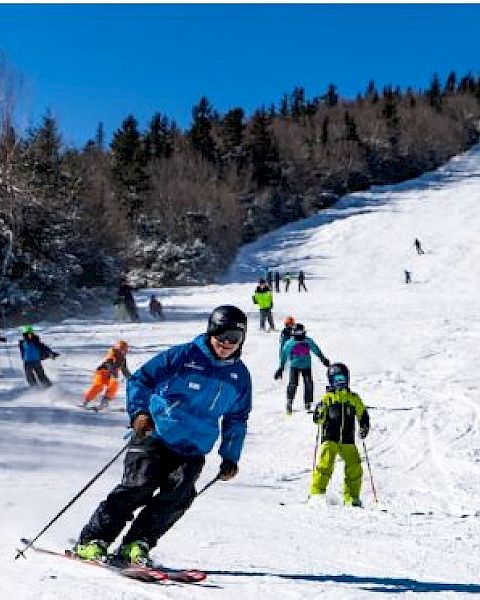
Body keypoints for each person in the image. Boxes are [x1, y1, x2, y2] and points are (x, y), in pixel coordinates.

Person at [74, 305, 252, 566]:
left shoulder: (240, 376)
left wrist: (230, 457)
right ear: (211, 332)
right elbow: (141, 380)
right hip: (155, 433)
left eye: (234, 339)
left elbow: (237, 418)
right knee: (138, 487)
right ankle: (92, 541)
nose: (226, 344)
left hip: (194, 447)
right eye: (221, 336)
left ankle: (137, 544)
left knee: (177, 497)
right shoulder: (183, 356)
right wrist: (139, 413)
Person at [308, 363, 370, 508]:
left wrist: (364, 426)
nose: (340, 383)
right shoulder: (328, 398)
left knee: (355, 466)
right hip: (330, 438)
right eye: (337, 380)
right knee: (325, 464)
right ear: (331, 381)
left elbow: (363, 414)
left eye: (342, 379)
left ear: (347, 380)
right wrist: (319, 413)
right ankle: (316, 493)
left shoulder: (353, 398)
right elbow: (318, 419)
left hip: (347, 439)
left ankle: (352, 497)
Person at [274, 323, 330, 414]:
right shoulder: (290, 343)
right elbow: (284, 355)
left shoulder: (307, 341)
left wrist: (322, 358)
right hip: (294, 366)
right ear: (294, 333)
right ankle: (289, 401)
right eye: (297, 332)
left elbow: (315, 349)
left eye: (301, 332)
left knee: (309, 383)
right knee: (293, 384)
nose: (299, 334)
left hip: (306, 366)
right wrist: (281, 368)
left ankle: (308, 402)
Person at [82, 341, 131, 410]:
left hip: (112, 375)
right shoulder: (112, 354)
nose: (122, 351)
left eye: (124, 350)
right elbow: (109, 364)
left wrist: (131, 378)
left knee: (114, 385)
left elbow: (125, 370)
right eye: (120, 349)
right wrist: (112, 371)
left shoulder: (123, 359)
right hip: (102, 372)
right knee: (99, 385)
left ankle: (105, 401)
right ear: (117, 349)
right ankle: (86, 401)